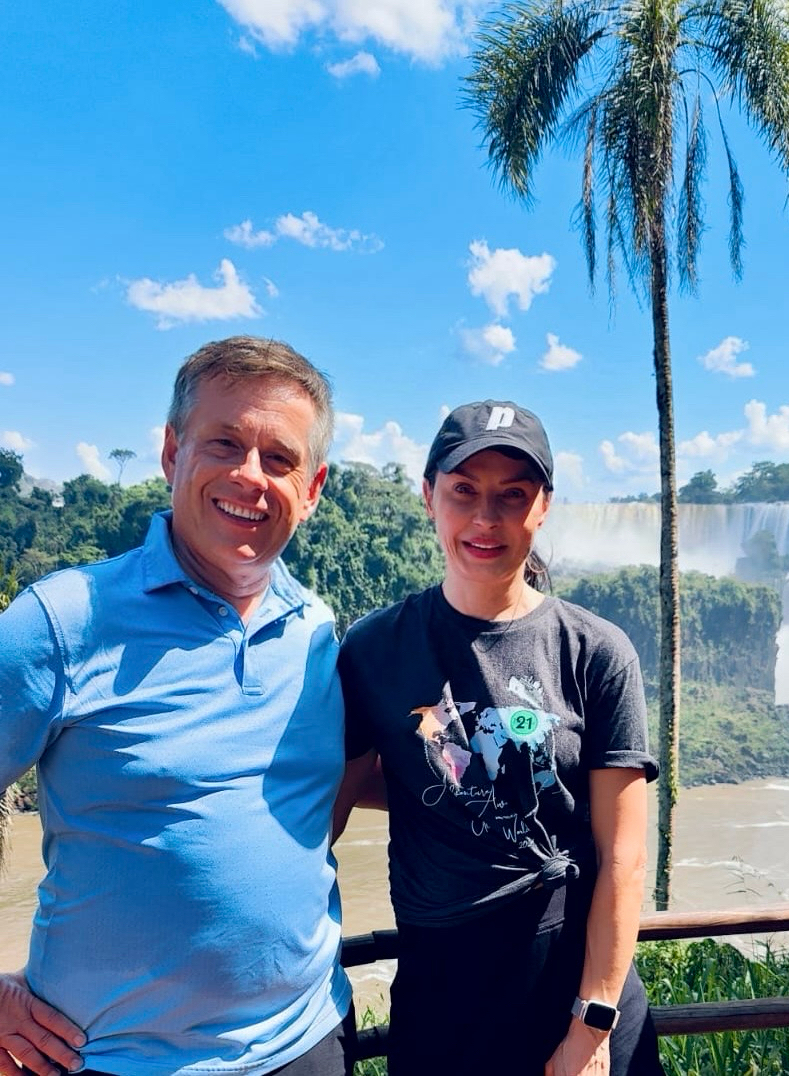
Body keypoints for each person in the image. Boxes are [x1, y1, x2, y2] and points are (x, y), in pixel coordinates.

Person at [0, 337, 355, 1076]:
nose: (249, 476)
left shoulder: (317, 631)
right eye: (224, 443)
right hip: (111, 1060)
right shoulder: (64, 621)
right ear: (171, 452)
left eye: (280, 458)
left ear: (313, 487)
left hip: (309, 1042)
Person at [336, 400, 665, 1076]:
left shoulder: (595, 651)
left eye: (513, 494)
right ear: (429, 496)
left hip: (574, 981)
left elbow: (625, 856)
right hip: (444, 991)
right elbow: (322, 813)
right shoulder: (374, 650)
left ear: (543, 505)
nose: (486, 518)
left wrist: (592, 1025)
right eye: (464, 491)